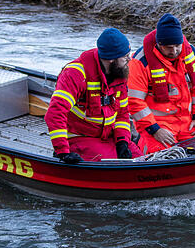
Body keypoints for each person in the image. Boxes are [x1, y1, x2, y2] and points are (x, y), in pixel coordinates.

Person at [45, 28, 137, 163]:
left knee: (139, 158)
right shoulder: (76, 74)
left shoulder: (119, 74)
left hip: (108, 136)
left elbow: (122, 114)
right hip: (79, 137)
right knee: (111, 166)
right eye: (125, 56)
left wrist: (122, 142)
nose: (129, 59)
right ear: (111, 58)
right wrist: (63, 152)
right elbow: (54, 113)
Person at [127, 13, 195, 154]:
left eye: (177, 46)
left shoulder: (191, 54)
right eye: (169, 47)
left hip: (187, 122)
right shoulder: (140, 62)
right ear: (159, 44)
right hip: (156, 126)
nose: (174, 51)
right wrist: (155, 129)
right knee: (159, 156)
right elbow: (134, 101)